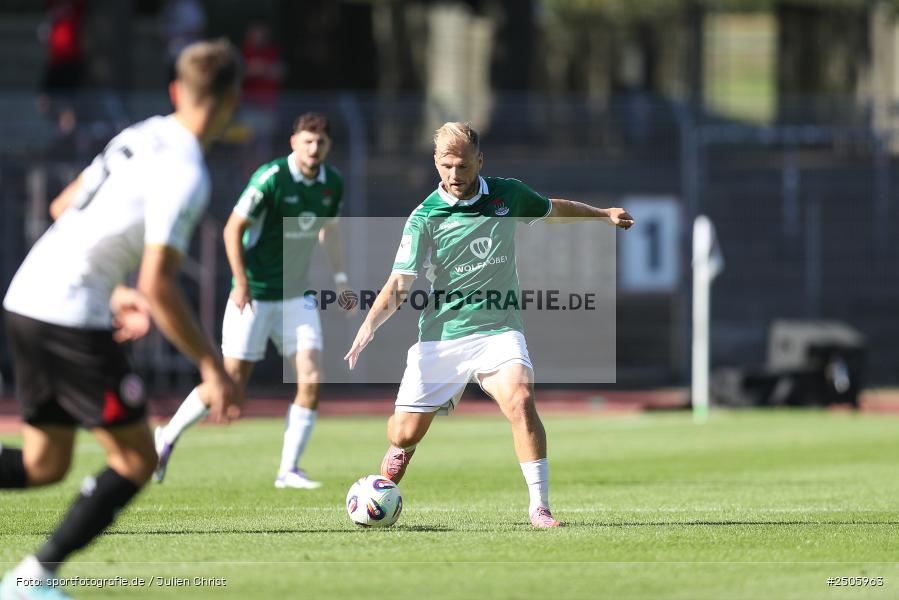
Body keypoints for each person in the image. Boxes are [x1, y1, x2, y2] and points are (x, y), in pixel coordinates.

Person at [0, 39, 242, 600]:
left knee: (43, 463)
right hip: (66, 315)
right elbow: (159, 284)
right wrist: (213, 367)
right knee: (136, 457)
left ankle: (31, 580)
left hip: (27, 297)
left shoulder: (138, 134)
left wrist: (112, 289)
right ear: (231, 101)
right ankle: (33, 580)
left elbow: (62, 207)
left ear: (175, 91)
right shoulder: (187, 171)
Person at [344, 122, 634, 528]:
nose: (455, 174)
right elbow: (400, 283)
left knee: (520, 399)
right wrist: (369, 325)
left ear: (480, 160)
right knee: (404, 433)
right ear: (435, 162)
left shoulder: (507, 194)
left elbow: (552, 210)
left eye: (463, 165)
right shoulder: (424, 217)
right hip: (442, 338)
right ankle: (399, 454)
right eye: (447, 165)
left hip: (498, 329)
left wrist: (602, 215)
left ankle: (540, 507)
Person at [154, 112, 351, 490]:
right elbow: (233, 228)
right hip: (255, 295)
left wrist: (340, 278)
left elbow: (330, 230)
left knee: (311, 378)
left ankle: (288, 470)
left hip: (297, 297)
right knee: (228, 385)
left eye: (321, 142)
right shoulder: (271, 177)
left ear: (328, 146)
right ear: (294, 142)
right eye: (307, 141)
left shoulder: (333, 184)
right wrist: (241, 281)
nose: (314, 148)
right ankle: (167, 435)